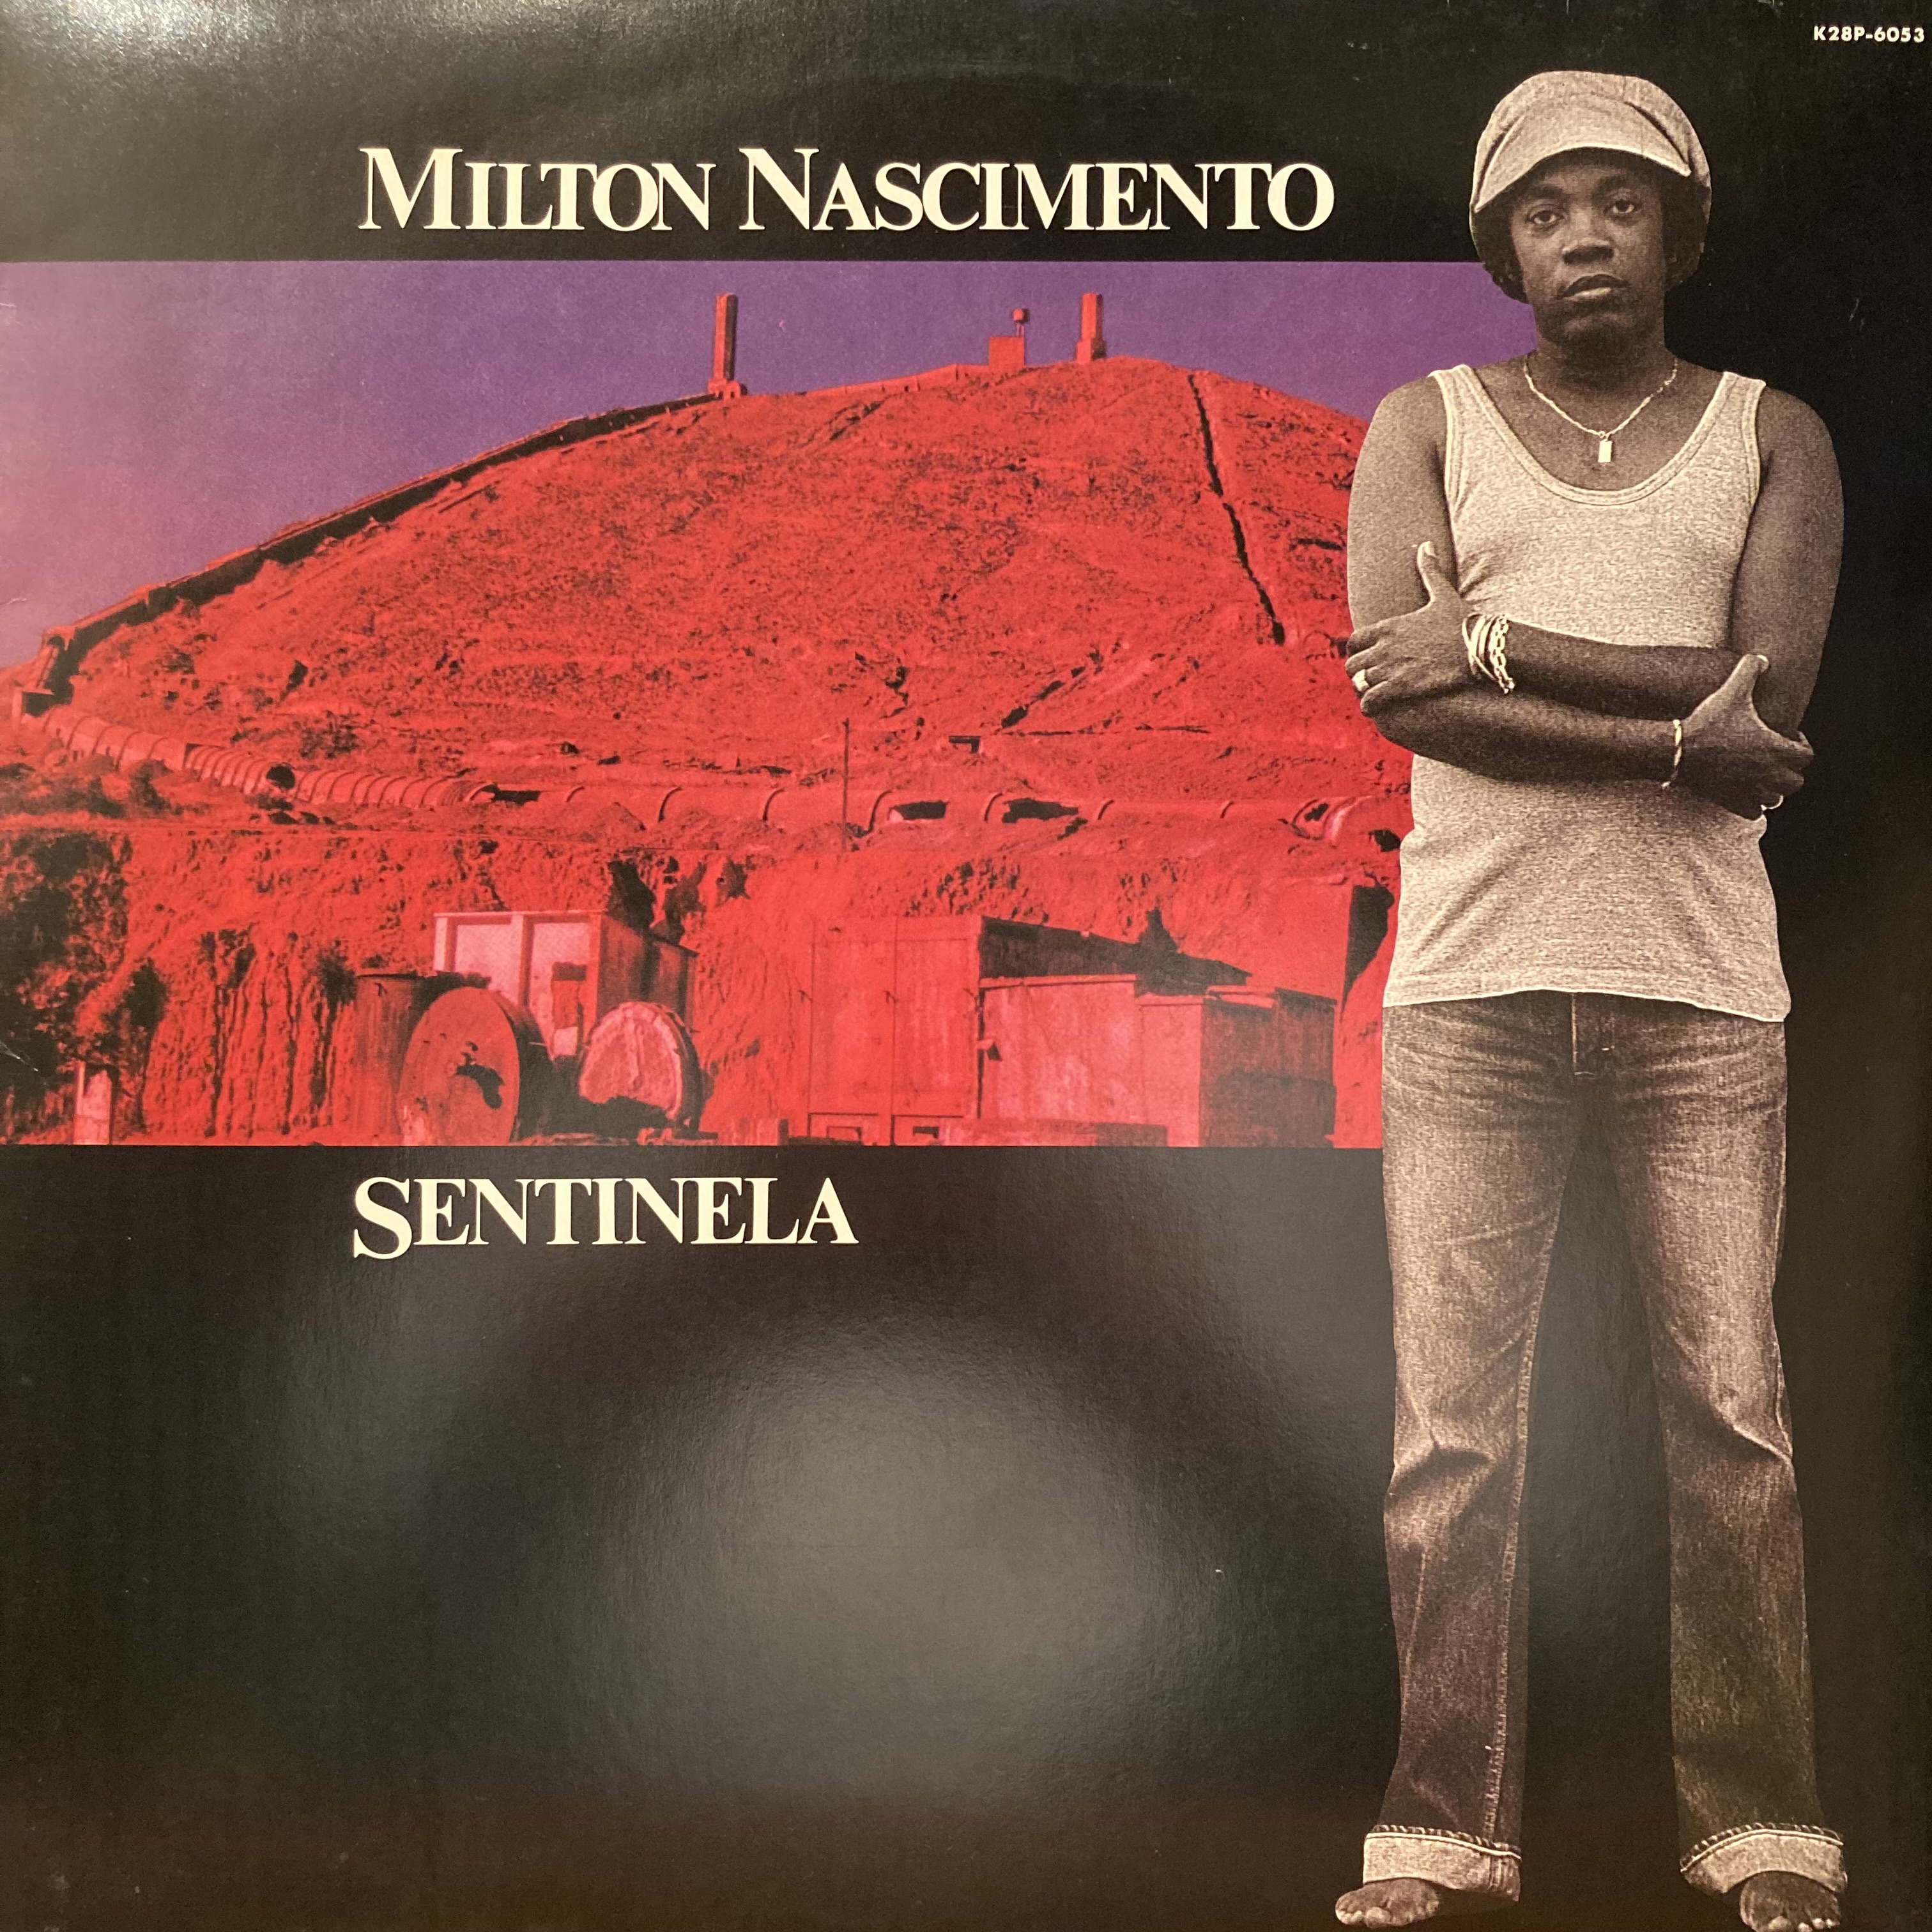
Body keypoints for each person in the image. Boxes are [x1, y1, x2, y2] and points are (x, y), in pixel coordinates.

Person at [1330, 72, 1846, 1932]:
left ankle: (1764, 1824)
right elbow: (1404, 698)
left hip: (1702, 992)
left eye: (1621, 203)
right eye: (1545, 212)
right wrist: (1672, 730)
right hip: (1468, 987)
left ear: (1680, 232)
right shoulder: (1424, 424)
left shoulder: (1776, 434)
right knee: (1451, 1436)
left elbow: (1766, 703)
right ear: (1504, 250)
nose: (1585, 239)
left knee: (1734, 1419)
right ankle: (1441, 1832)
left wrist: (1492, 635)